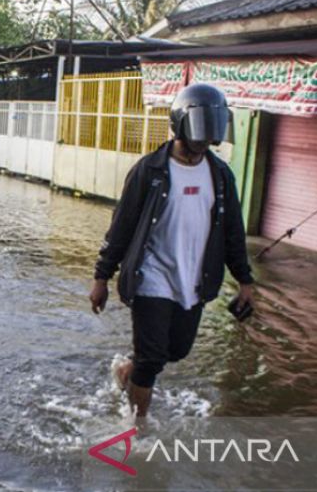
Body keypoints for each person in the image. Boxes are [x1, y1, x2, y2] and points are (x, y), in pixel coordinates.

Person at [88, 84, 255, 418]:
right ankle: (138, 428)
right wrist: (102, 276)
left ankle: (127, 372)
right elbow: (121, 227)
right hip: (151, 276)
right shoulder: (149, 171)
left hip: (194, 279)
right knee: (151, 359)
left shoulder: (220, 175)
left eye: (211, 135)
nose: (204, 143)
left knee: (176, 350)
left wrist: (245, 281)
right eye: (200, 134)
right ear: (182, 124)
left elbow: (233, 232)